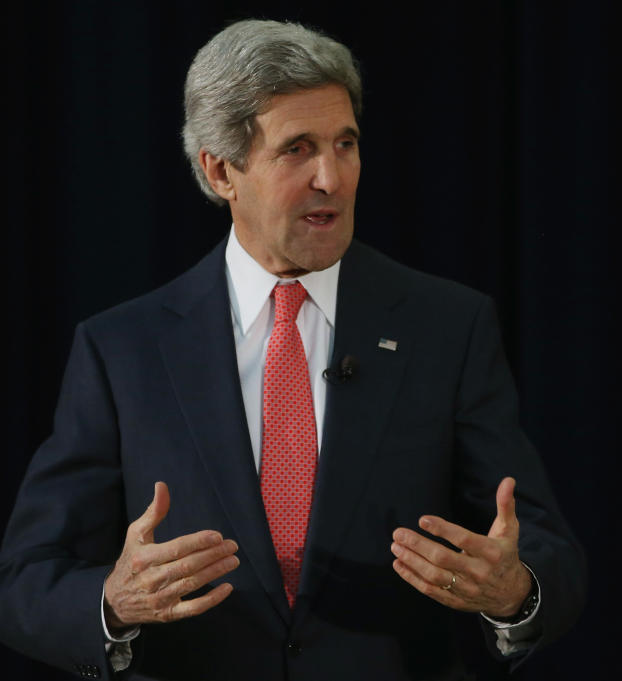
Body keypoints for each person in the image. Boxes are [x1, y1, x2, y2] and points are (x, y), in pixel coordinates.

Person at [0, 18, 585, 681]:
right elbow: (25, 582)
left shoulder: (448, 326)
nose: (332, 178)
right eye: (297, 149)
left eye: (346, 143)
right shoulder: (122, 350)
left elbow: (545, 550)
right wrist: (112, 601)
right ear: (221, 170)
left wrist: (515, 592)